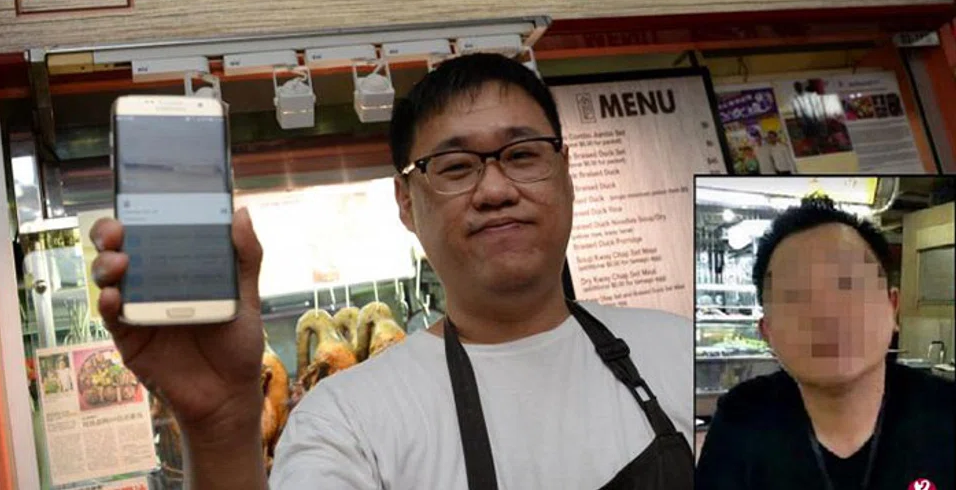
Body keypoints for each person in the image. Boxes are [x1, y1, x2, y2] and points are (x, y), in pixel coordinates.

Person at [91, 53, 694, 490]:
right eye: (456, 167)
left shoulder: (681, 356)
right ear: (406, 204)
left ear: (566, 175)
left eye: (522, 155)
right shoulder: (347, 420)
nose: (496, 188)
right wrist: (220, 427)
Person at [696, 195, 954, 490]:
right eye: (796, 296)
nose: (827, 312)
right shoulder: (741, 421)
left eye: (849, 284)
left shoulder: (945, 414)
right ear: (768, 332)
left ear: (892, 307)